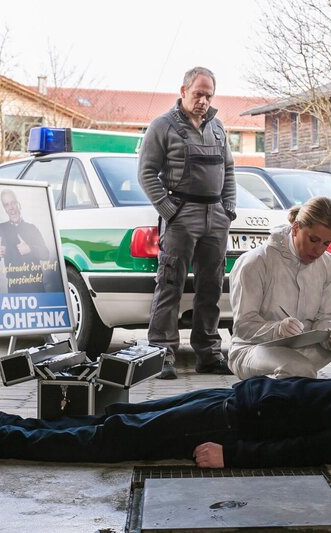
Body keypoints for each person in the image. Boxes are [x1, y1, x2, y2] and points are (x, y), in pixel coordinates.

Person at [0, 378, 331, 467]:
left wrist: (234, 457)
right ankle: (8, 420)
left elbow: (306, 451)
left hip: (231, 428)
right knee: (120, 416)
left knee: (114, 439)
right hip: (231, 400)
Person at [138, 66, 236, 379]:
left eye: (209, 95)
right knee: (170, 285)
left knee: (211, 287)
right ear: (183, 91)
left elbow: (230, 171)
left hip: (215, 218)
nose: (203, 101)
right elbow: (146, 172)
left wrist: (228, 209)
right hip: (181, 216)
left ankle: (208, 354)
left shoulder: (218, 128)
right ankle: (161, 355)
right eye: (198, 94)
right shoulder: (162, 126)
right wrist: (169, 210)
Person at [228, 196, 331, 384]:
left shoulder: (328, 264)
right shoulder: (256, 262)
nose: (319, 250)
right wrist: (277, 329)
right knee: (299, 368)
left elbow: (327, 316)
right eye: (313, 239)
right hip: (253, 350)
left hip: (304, 347)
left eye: (325, 243)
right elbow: (242, 327)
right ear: (296, 228)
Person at [0, 189, 49, 293]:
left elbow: (46, 254)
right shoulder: (0, 229)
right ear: (4, 209)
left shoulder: (32, 228)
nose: (11, 207)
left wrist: (30, 249)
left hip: (35, 286)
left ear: (18, 204)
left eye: (13, 203)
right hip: (14, 289)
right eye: (6, 205)